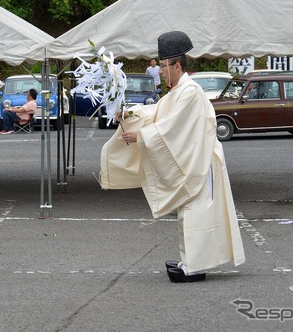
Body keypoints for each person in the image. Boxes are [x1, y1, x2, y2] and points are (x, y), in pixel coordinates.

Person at [100, 30, 245, 283]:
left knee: (195, 211)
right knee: (189, 210)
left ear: (177, 65)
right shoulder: (180, 91)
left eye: (165, 66)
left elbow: (172, 127)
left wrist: (142, 137)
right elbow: (156, 112)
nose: (161, 71)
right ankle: (190, 261)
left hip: (200, 160)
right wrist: (129, 114)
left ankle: (195, 266)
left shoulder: (190, 92)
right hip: (194, 158)